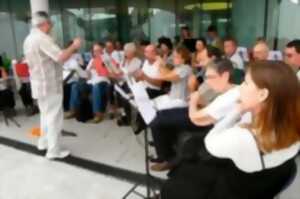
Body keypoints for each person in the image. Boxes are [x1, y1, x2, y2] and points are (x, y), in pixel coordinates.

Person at [161, 61, 300, 199]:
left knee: (173, 186)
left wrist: (237, 111)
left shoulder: (240, 137)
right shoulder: (293, 127)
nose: (240, 88)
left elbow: (210, 141)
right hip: (269, 182)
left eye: (245, 83)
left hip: (237, 189)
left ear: (262, 95)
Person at [23, 11, 81, 159]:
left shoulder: (28, 39)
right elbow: (60, 57)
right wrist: (74, 46)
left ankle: (43, 142)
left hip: (38, 84)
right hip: (49, 85)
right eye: (50, 23)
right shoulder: (42, 39)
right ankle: (54, 151)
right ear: (44, 24)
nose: (51, 26)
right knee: (54, 117)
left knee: (45, 116)